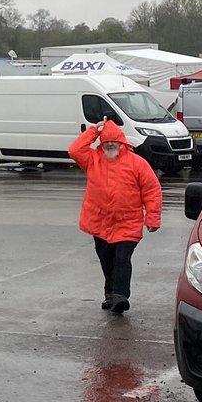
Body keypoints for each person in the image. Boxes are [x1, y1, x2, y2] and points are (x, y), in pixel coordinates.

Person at [68, 119, 162, 314]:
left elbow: (152, 190)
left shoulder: (137, 163)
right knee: (106, 259)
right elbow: (74, 150)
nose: (110, 144)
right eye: (106, 141)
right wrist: (94, 130)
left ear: (122, 142)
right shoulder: (92, 159)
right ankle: (110, 294)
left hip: (128, 223)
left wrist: (152, 217)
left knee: (121, 259)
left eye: (114, 140)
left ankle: (120, 296)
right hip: (99, 222)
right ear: (101, 144)